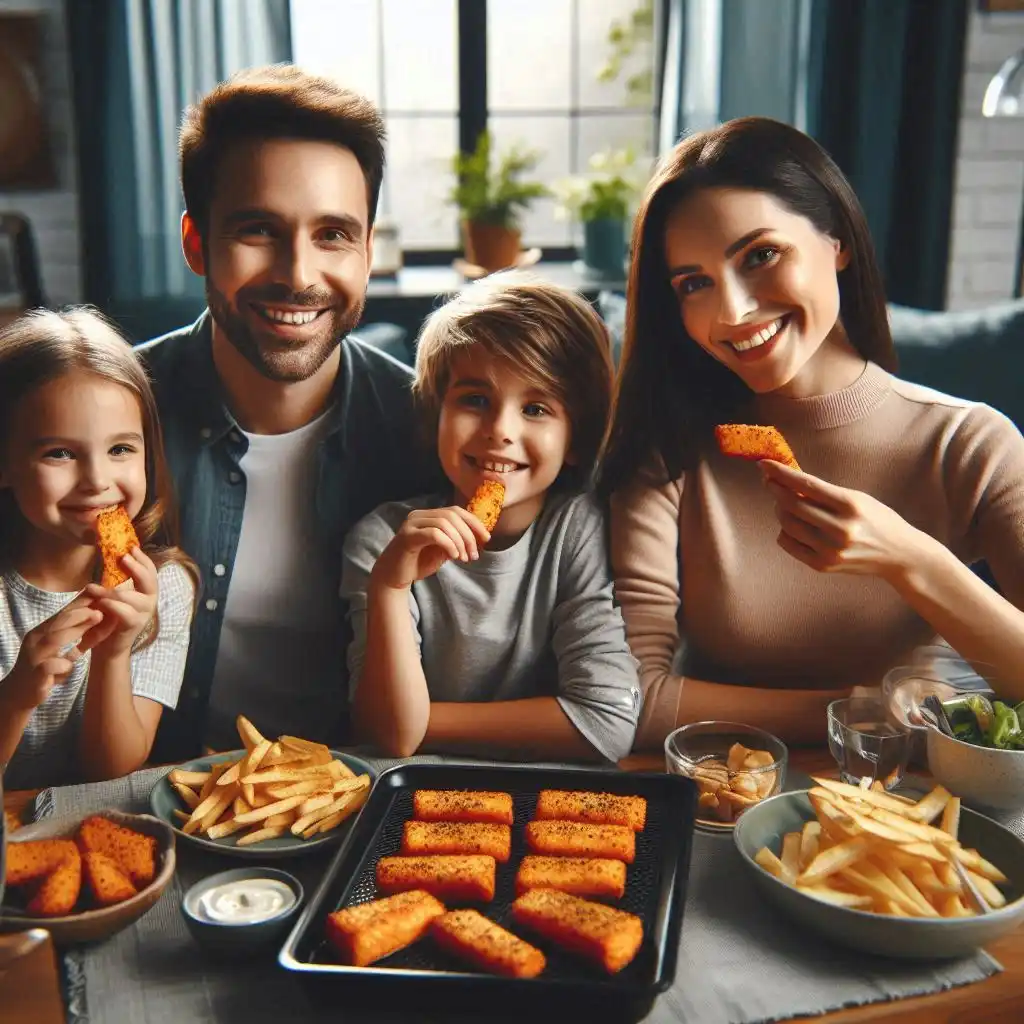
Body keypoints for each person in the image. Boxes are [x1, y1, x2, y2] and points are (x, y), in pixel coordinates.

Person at [600, 116, 1024, 750]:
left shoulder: (970, 444)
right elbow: (630, 700)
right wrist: (863, 709)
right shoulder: (671, 450)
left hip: (909, 820)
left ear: (837, 242)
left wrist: (909, 559)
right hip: (718, 806)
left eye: (761, 255)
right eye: (695, 284)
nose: (733, 312)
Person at [137, 65, 439, 760]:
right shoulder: (107, 418)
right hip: (154, 811)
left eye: (333, 234)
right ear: (195, 244)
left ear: (367, 252)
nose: (299, 274)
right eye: (258, 230)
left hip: (366, 807)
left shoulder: (432, 433)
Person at [340, 273, 641, 761]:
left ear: (577, 441)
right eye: (475, 400)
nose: (500, 429)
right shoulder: (382, 540)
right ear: (437, 411)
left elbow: (607, 724)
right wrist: (390, 588)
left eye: (537, 407)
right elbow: (388, 740)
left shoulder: (576, 532)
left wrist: (421, 719)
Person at [0, 309, 197, 789]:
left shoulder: (164, 586)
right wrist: (16, 696)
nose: (97, 481)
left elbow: (110, 771)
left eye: (121, 450)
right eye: (59, 453)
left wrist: (114, 651)